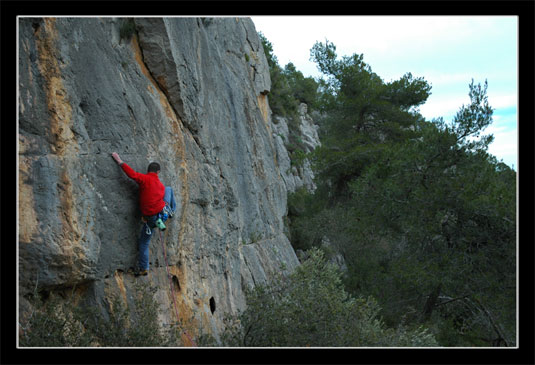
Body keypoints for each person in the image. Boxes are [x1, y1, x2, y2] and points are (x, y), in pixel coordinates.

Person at [111, 152, 177, 276]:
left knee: (144, 243)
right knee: (169, 189)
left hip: (150, 218)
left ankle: (144, 268)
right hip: (161, 212)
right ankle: (171, 211)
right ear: (158, 172)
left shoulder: (144, 179)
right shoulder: (161, 186)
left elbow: (131, 174)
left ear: (148, 171)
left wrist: (120, 161)